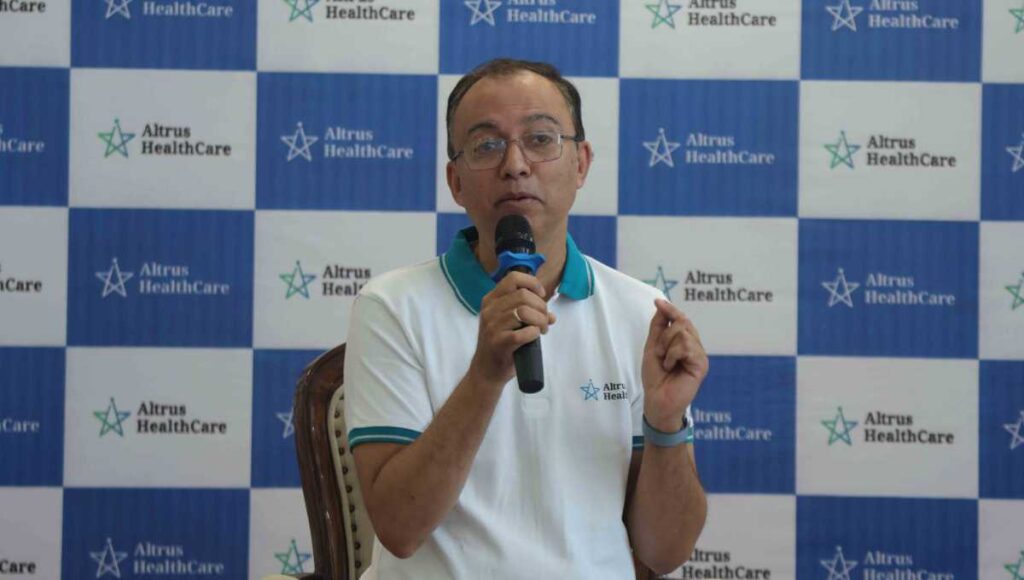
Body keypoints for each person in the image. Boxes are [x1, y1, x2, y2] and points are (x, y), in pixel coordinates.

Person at [344, 58, 708, 579]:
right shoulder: (392, 306)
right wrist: (484, 375)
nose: (515, 165)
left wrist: (666, 422)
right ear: (455, 182)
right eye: (486, 145)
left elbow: (664, 552)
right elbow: (400, 529)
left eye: (540, 139)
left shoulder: (639, 312)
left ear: (581, 163)